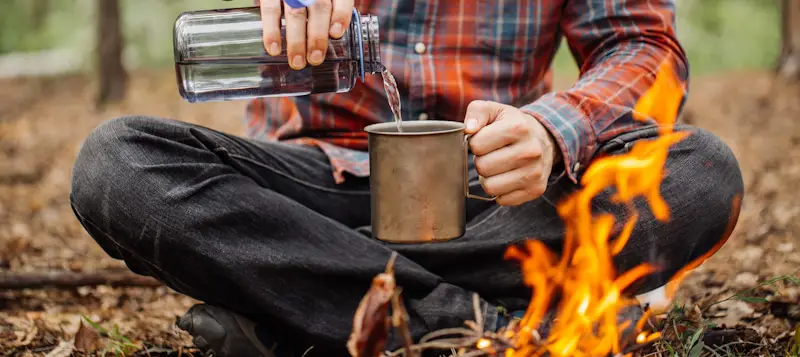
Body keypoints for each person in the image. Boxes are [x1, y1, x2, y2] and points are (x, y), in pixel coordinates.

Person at [69, 0, 743, 356]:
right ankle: (477, 327)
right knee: (116, 164)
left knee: (702, 173)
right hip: (309, 185)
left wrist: (552, 127)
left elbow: (643, 44)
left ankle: (292, 297)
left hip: (492, 195)